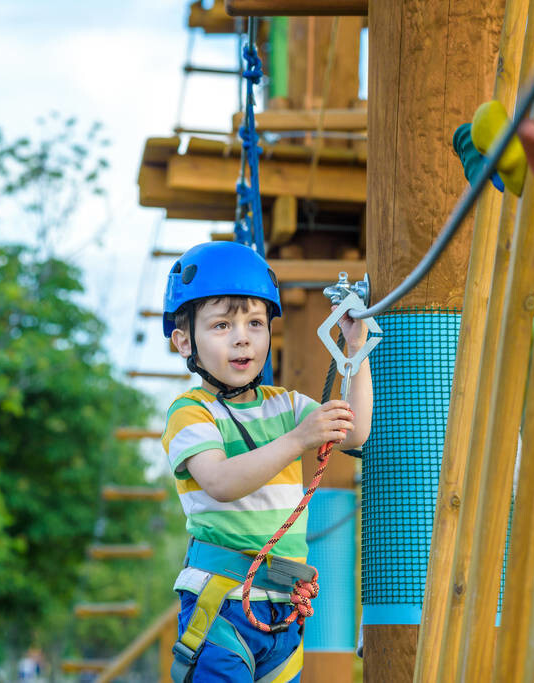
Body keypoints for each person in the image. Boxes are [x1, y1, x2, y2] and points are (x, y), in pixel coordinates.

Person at [161, 241, 373, 683]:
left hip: (282, 611)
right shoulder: (191, 412)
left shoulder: (286, 405)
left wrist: (357, 350)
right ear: (185, 341)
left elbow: (354, 432)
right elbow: (218, 480)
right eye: (222, 325)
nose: (242, 337)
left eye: (255, 323)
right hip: (222, 604)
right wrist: (298, 439)